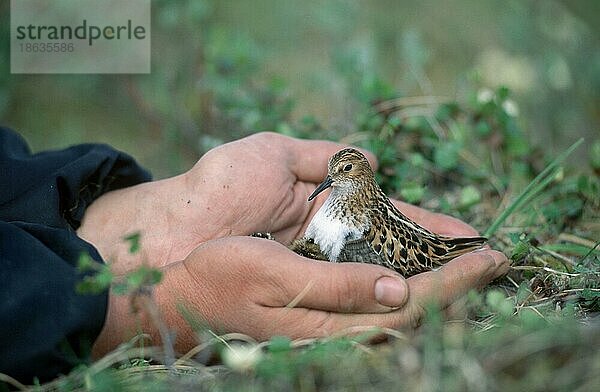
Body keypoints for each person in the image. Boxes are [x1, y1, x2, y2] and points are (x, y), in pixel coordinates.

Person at [0, 127, 508, 384]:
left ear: (358, 177)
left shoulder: (363, 214)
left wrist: (122, 218)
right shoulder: (334, 201)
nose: (328, 187)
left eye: (343, 178)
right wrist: (152, 308)